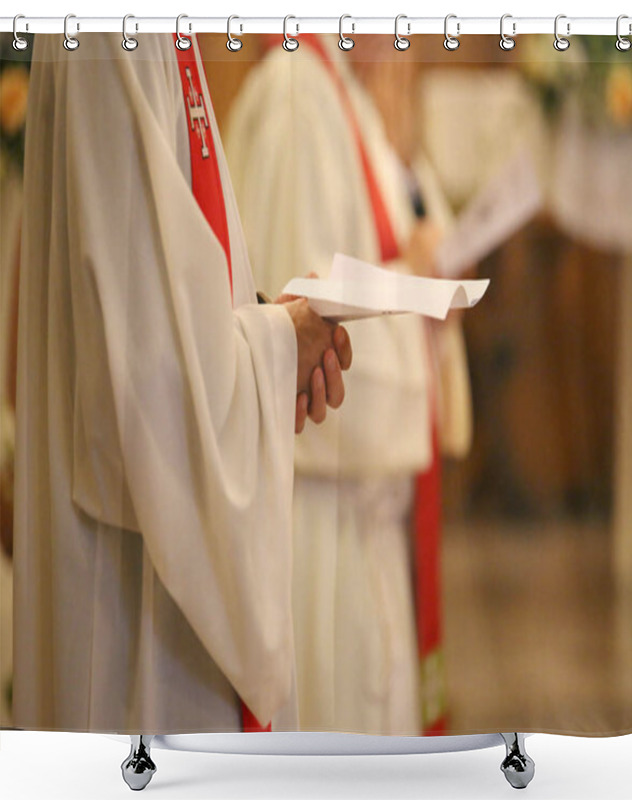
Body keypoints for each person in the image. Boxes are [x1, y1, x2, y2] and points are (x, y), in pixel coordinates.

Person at [12, 32, 351, 734]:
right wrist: (283, 344)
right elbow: (140, 371)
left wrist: (269, 329)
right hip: (133, 607)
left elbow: (163, 290)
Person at [225, 34, 471, 735]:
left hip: (366, 515)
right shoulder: (297, 92)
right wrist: (420, 285)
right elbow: (296, 330)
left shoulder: (349, 98)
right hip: (320, 527)